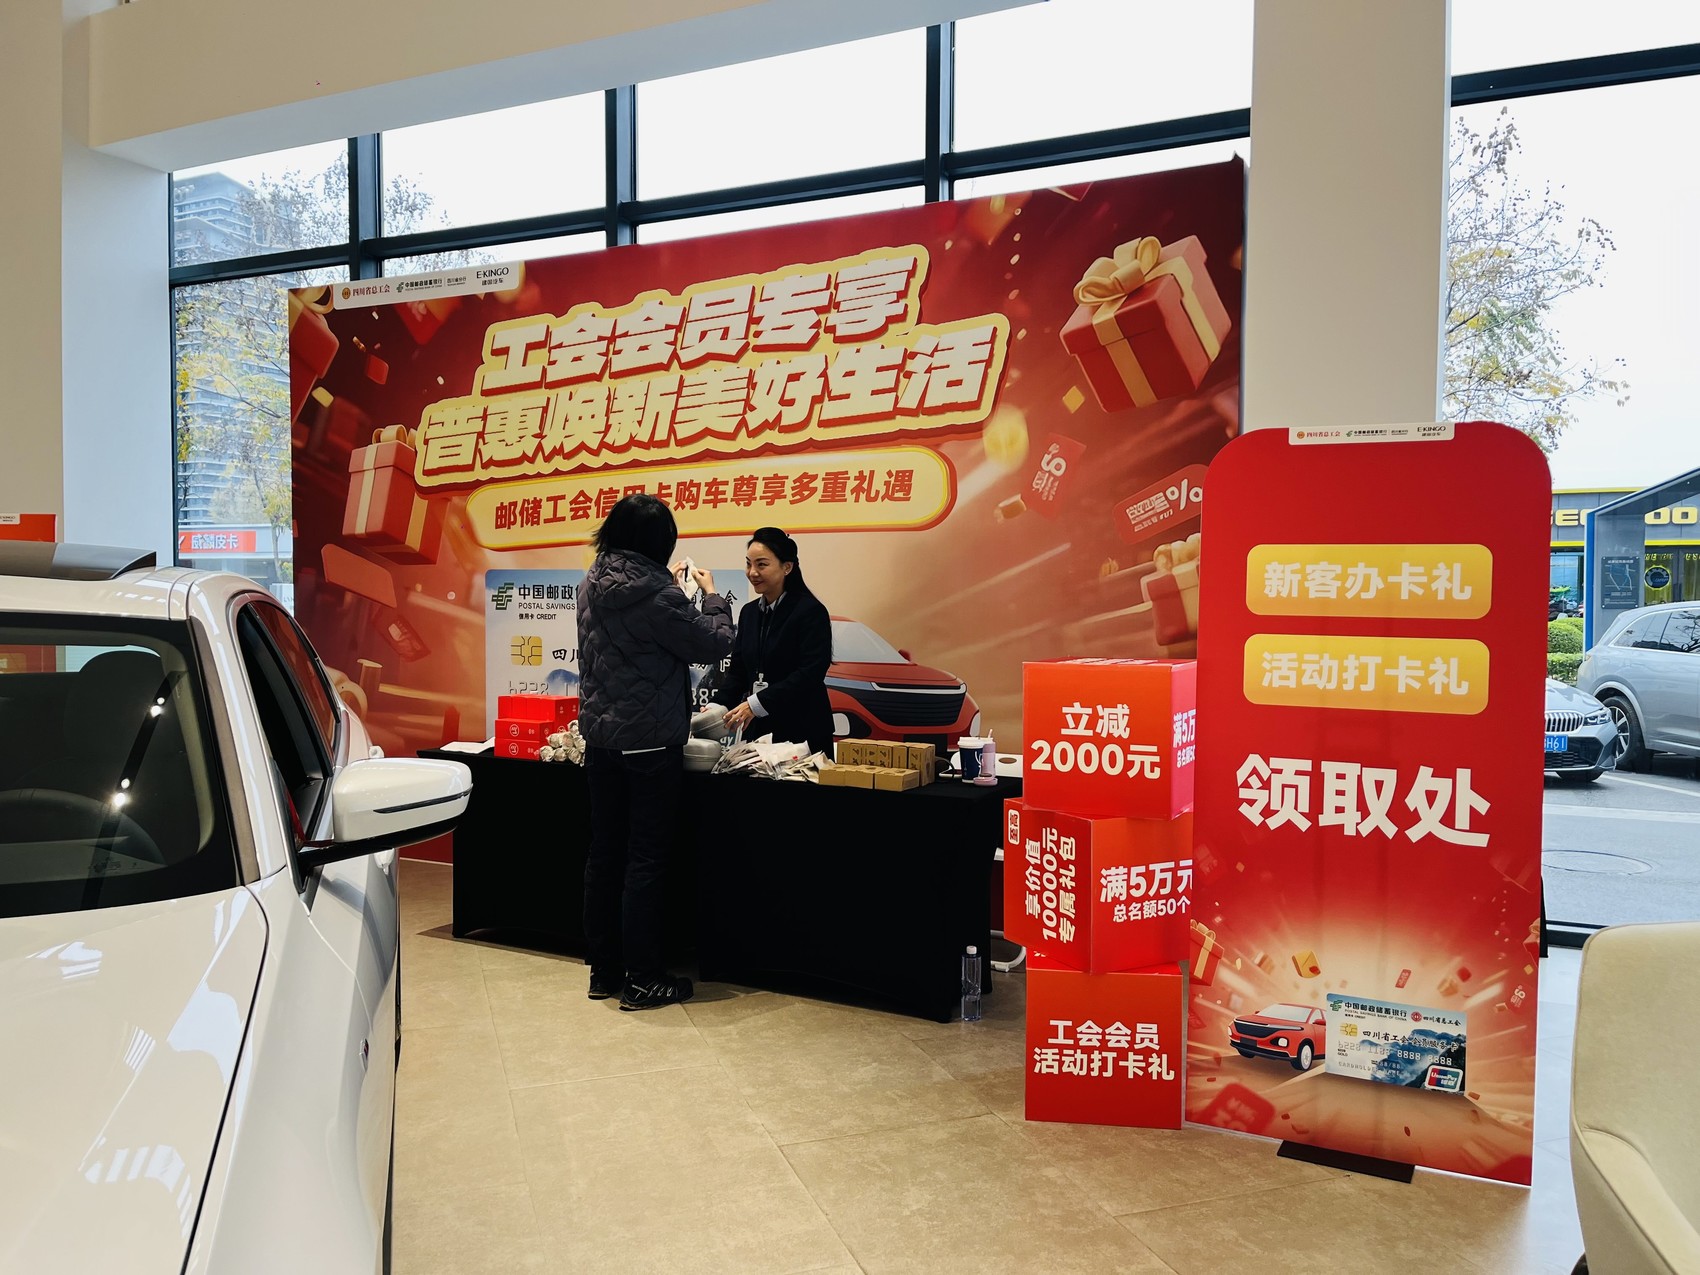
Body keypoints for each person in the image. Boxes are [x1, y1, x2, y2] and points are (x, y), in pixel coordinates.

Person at [577, 494, 732, 1011]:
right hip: (649, 745)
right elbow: (712, 643)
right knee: (645, 859)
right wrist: (712, 597)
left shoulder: (591, 583)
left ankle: (604, 970)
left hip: (601, 742)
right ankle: (643, 978)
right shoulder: (658, 594)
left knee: (605, 854)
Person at [719, 527, 834, 756]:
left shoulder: (810, 611)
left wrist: (756, 703)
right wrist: (717, 705)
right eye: (749, 564)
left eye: (761, 565)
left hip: (803, 731)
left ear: (787, 567)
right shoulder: (749, 612)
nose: (752, 572)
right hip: (761, 731)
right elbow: (739, 672)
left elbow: (810, 673)